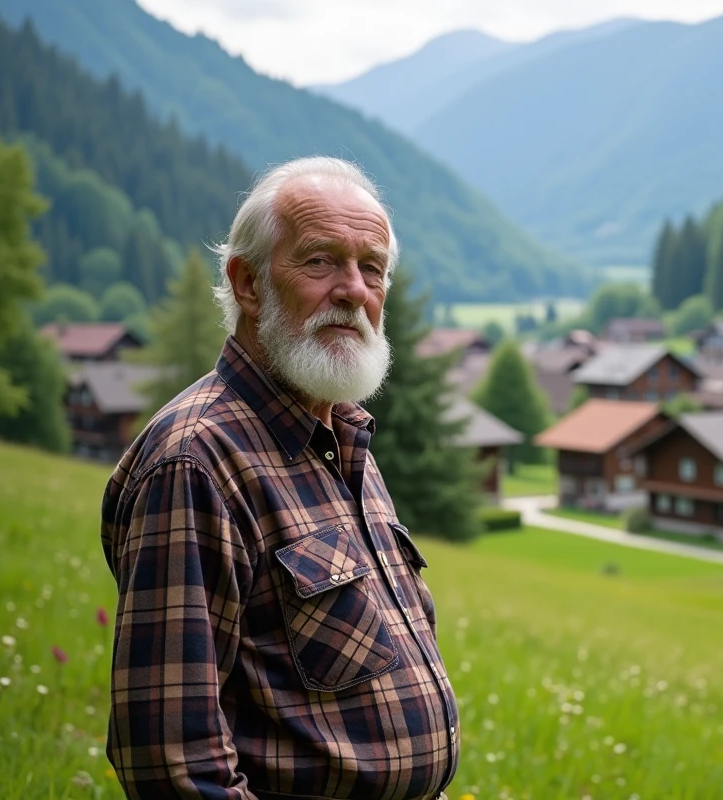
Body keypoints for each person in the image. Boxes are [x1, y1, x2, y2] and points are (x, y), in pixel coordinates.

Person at [100, 157, 458, 799]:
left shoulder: (342, 435)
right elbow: (174, 767)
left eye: (371, 268)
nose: (354, 290)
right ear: (248, 283)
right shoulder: (196, 462)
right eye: (320, 261)